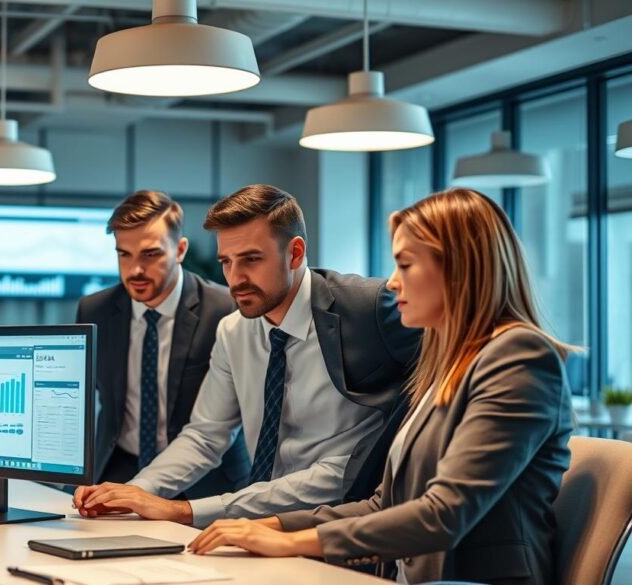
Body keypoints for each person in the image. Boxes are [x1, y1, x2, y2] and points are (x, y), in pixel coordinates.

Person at [188, 188, 574, 585]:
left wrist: (291, 543)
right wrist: (271, 525)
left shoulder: (520, 356)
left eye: (405, 265)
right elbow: (383, 504)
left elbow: (443, 515)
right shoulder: (448, 364)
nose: (391, 283)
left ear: (459, 269)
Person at [74, 184, 420, 528]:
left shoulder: (368, 308)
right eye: (226, 262)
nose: (235, 279)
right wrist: (135, 493)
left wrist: (184, 511)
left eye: (252, 259)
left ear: (295, 254)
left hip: (347, 519)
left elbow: (447, 369)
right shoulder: (233, 331)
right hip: (261, 522)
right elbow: (206, 436)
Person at [77, 190, 249, 498]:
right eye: (124, 254)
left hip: (208, 480)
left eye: (150, 254)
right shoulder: (95, 311)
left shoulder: (224, 310)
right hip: (118, 470)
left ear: (180, 250)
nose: (135, 270)